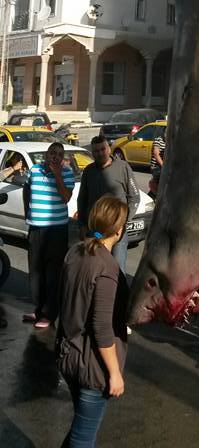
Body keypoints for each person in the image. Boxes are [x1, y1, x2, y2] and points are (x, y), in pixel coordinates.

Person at [57, 195, 129, 448]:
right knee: (83, 438)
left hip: (68, 356)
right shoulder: (107, 266)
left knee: (80, 430)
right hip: (92, 368)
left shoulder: (74, 252)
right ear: (119, 231)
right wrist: (115, 374)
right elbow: (101, 327)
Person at [23, 141, 75, 329]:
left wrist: (57, 175)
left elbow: (66, 197)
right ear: (46, 154)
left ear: (62, 158)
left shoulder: (67, 172)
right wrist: (26, 211)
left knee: (52, 273)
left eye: (59, 154)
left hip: (56, 230)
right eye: (52, 153)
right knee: (36, 272)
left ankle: (49, 313)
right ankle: (38, 309)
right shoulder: (34, 170)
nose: (55, 156)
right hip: (36, 228)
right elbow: (26, 188)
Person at [77, 135, 139, 274]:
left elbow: (134, 198)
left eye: (103, 149)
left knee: (117, 270)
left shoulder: (123, 167)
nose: (100, 153)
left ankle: (117, 295)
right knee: (94, 267)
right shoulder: (88, 171)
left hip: (117, 232)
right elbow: (82, 199)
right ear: (92, 153)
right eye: (96, 151)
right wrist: (81, 224)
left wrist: (123, 221)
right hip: (95, 232)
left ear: (109, 148)